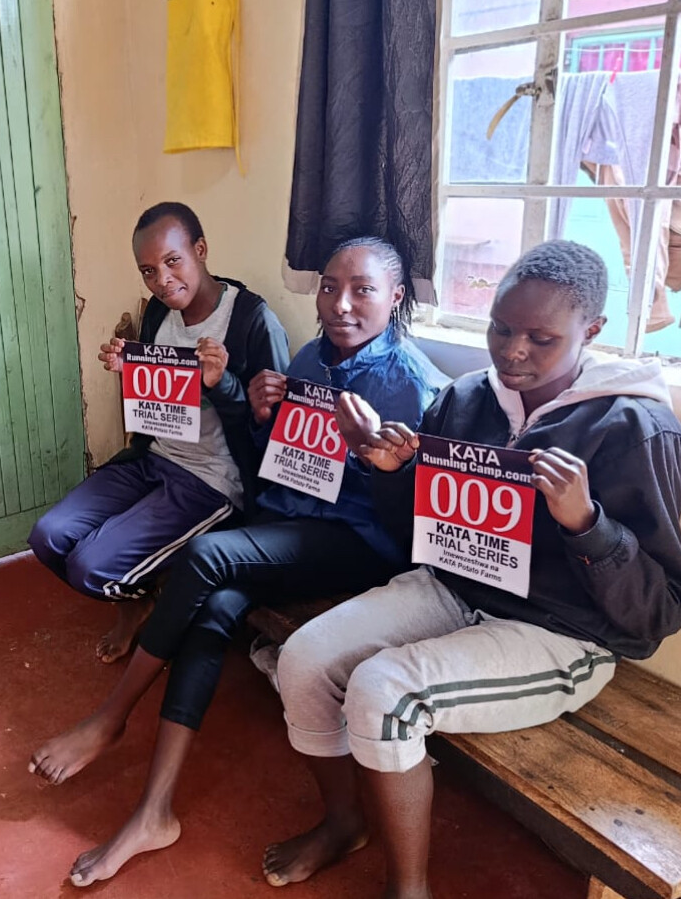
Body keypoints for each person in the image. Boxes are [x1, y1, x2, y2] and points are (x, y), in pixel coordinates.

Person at [265, 240, 681, 897]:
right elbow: (418, 537)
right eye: (500, 328)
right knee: (301, 658)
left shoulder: (634, 428)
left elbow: (662, 610)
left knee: (385, 692)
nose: (513, 351)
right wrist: (393, 471)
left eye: (542, 338)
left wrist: (588, 524)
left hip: (563, 633)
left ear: (592, 330)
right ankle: (343, 821)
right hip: (455, 589)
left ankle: (409, 889)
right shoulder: (466, 400)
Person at [30, 238, 448, 887]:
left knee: (206, 554)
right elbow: (277, 459)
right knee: (214, 610)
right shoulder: (310, 358)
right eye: (330, 287)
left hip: (356, 543)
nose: (340, 304)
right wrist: (259, 413)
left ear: (396, 297)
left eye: (362, 290)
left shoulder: (417, 385)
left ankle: (111, 717)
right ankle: (153, 812)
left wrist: (380, 460)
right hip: (288, 525)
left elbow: (417, 523)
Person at [28, 202, 290, 663]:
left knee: (89, 566)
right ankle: (138, 598)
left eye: (173, 261)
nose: (162, 281)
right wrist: (129, 368)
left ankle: (143, 607)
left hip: (211, 480)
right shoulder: (158, 314)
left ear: (200, 250)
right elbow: (156, 401)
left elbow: (276, 434)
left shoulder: (250, 320)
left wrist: (224, 384)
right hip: (152, 458)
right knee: (48, 536)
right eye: (148, 271)